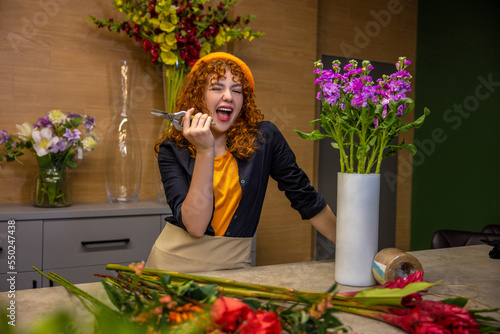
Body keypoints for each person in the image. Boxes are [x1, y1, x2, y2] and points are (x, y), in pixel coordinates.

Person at [146, 52, 336, 273]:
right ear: (198, 96)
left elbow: (306, 198)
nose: (228, 96)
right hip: (172, 266)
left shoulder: (264, 138)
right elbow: (195, 227)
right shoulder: (172, 149)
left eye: (237, 90)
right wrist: (205, 151)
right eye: (217, 88)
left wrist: (353, 250)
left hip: (234, 269)